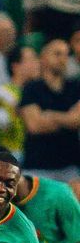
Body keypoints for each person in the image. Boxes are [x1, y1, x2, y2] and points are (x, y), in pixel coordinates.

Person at [19, 39, 80, 182]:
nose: (63, 59)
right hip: (37, 166)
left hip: (69, 167)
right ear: (44, 57)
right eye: (57, 54)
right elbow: (34, 126)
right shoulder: (31, 89)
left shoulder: (76, 87)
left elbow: (76, 121)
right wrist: (67, 119)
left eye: (66, 54)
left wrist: (50, 115)